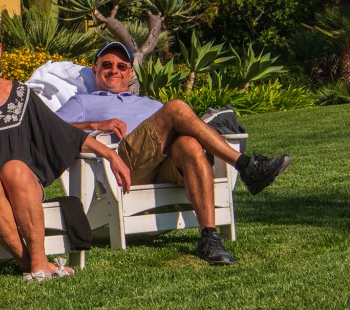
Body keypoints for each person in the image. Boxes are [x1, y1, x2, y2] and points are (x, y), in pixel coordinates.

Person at [0, 2, 132, 281]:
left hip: (21, 185)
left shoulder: (21, 94)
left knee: (15, 168)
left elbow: (62, 133)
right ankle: (31, 262)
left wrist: (111, 155)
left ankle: (37, 262)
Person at [55, 41, 292, 265]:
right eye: (106, 65)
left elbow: (182, 124)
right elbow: (49, 129)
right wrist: (95, 124)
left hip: (163, 165)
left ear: (129, 74)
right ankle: (247, 166)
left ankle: (209, 238)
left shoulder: (149, 104)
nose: (113, 70)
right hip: (123, 166)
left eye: (121, 66)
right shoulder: (82, 102)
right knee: (176, 107)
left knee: (189, 144)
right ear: (95, 71)